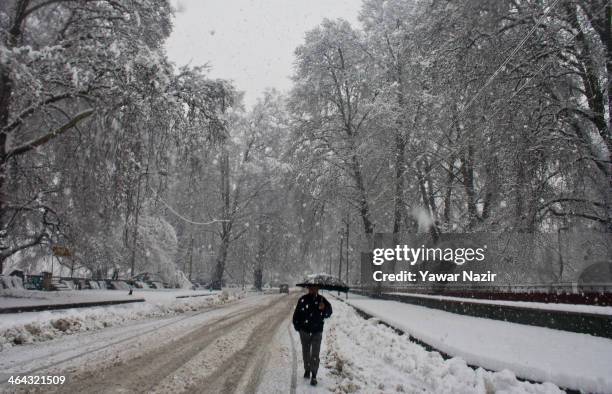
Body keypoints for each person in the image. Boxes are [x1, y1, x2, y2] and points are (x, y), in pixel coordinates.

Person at [292, 284, 332, 386]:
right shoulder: (303, 300)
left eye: (314, 288)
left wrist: (324, 309)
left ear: (318, 289)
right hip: (304, 331)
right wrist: (298, 327)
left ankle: (314, 374)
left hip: (317, 331)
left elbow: (329, 312)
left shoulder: (322, 300)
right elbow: (296, 315)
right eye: (310, 287)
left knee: (315, 353)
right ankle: (307, 369)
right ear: (308, 288)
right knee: (306, 352)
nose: (312, 289)